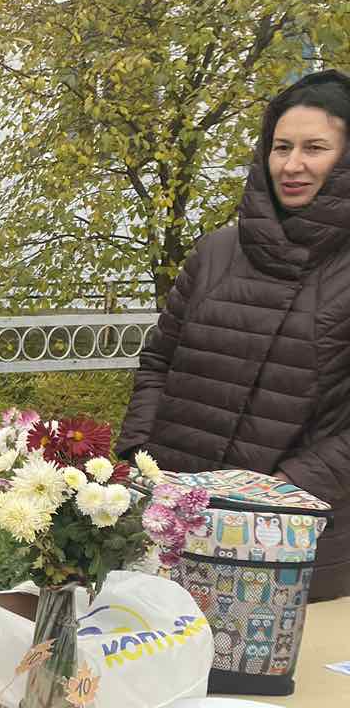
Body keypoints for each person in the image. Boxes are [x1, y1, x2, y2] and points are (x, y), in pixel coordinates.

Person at [119, 70, 350, 601]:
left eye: (315, 147)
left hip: (295, 547)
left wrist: (281, 492)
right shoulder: (218, 252)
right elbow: (160, 362)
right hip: (172, 529)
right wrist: (139, 456)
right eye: (281, 147)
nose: (292, 165)